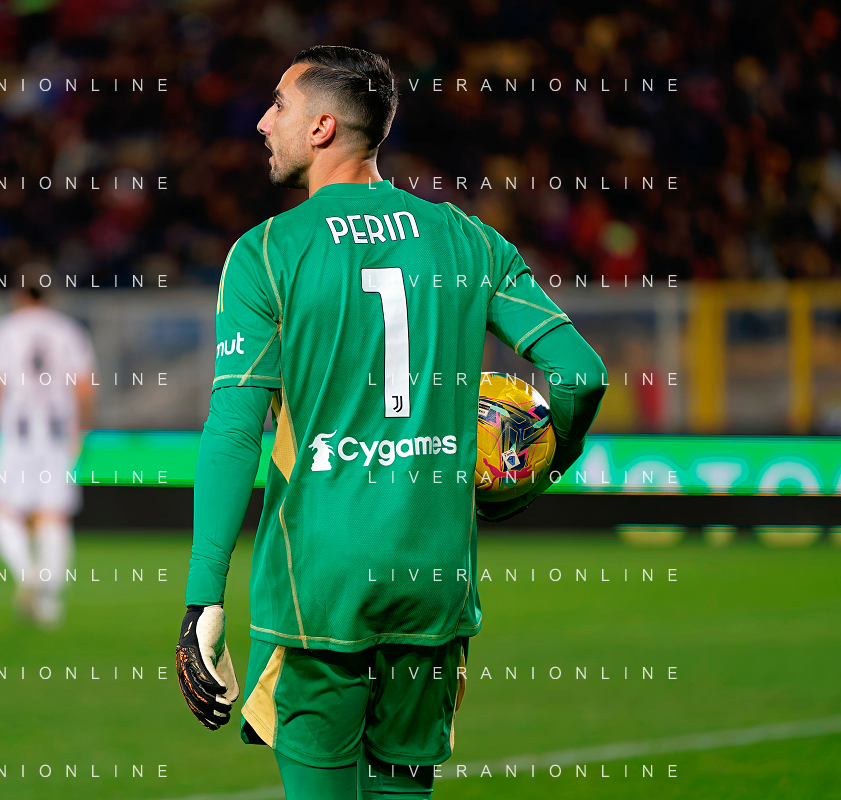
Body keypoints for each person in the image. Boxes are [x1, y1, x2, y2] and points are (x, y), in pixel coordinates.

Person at [175, 47, 607, 799]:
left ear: (321, 127)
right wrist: (533, 473)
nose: (261, 122)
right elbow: (581, 374)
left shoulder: (266, 254)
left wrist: (202, 597)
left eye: (278, 105)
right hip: (433, 583)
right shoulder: (467, 239)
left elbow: (235, 431)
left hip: (320, 584)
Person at [0, 265, 96, 627]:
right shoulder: (69, 330)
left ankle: (27, 571)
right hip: (57, 434)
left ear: (18, 294)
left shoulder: (3, 330)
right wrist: (82, 429)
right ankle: (49, 602)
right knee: (53, 515)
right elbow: (85, 387)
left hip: (17, 434)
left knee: (0, 512)